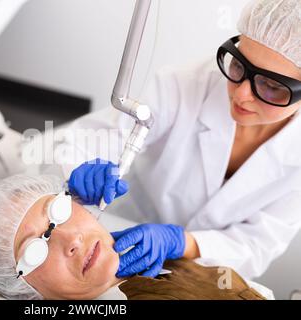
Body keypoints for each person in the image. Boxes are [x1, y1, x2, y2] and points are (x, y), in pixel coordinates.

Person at [62, 0, 301, 280]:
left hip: (207, 271)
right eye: (238, 65)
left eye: (272, 87)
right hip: (123, 226)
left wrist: (182, 242)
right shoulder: (184, 84)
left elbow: (257, 244)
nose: (241, 95)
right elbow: (94, 139)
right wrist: (82, 169)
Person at [0, 174, 266, 300]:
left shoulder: (169, 262)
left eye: (57, 211)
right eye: (34, 250)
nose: (71, 241)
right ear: (23, 290)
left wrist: (184, 243)